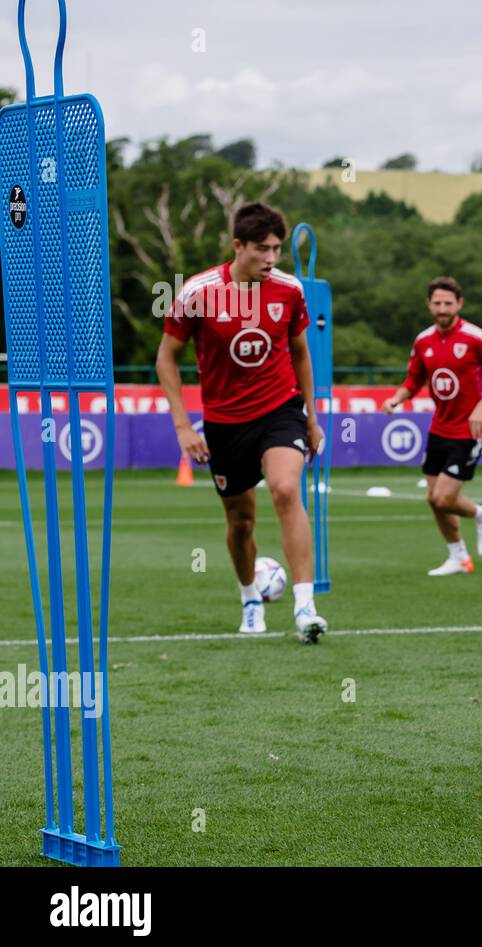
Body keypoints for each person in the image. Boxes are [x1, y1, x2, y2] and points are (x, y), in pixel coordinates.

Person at [156, 202, 328, 643]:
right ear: (238, 246)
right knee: (242, 523)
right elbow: (166, 358)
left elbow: (301, 353)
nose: (271, 258)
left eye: (277, 249)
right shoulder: (197, 291)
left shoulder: (289, 290)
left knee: (287, 490)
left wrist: (311, 417)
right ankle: (251, 599)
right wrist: (182, 426)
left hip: (280, 409)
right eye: (261, 249)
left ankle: (305, 606)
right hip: (225, 421)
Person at [381, 277, 482, 576]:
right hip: (439, 428)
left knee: (444, 497)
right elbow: (413, 380)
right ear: (429, 305)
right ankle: (458, 557)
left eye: (448, 303)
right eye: (437, 303)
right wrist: (396, 399)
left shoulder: (476, 337)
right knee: (434, 500)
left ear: (459, 304)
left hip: (471, 430)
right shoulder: (423, 341)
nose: (442, 308)